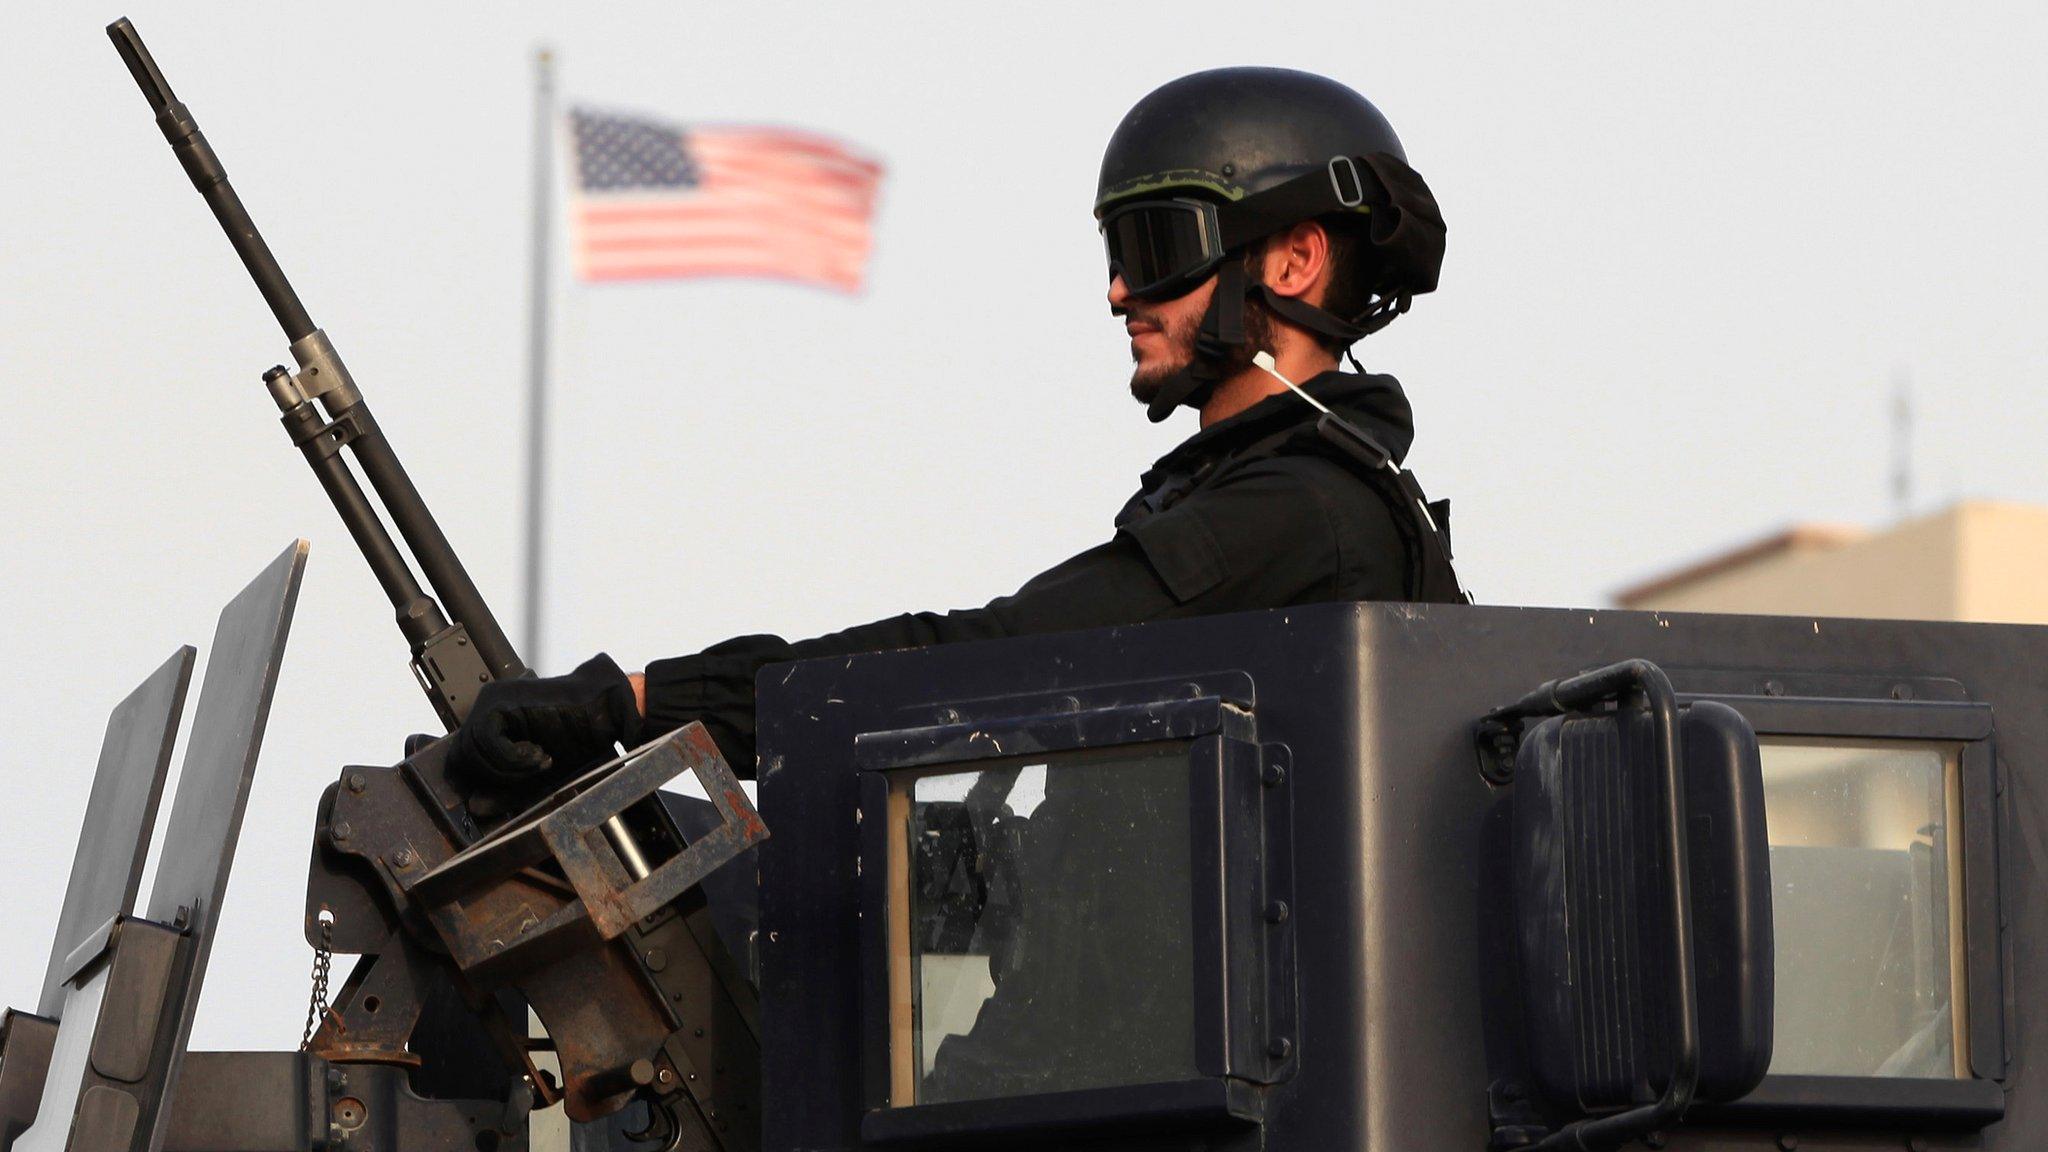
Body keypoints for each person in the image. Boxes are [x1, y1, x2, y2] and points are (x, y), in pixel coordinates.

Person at [450, 66, 1465, 788]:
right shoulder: (1276, 496)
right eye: (1114, 249)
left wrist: (641, 703)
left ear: (1289, 263)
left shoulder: (1299, 512)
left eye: (1159, 244)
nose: (1119, 291)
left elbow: (991, 660)